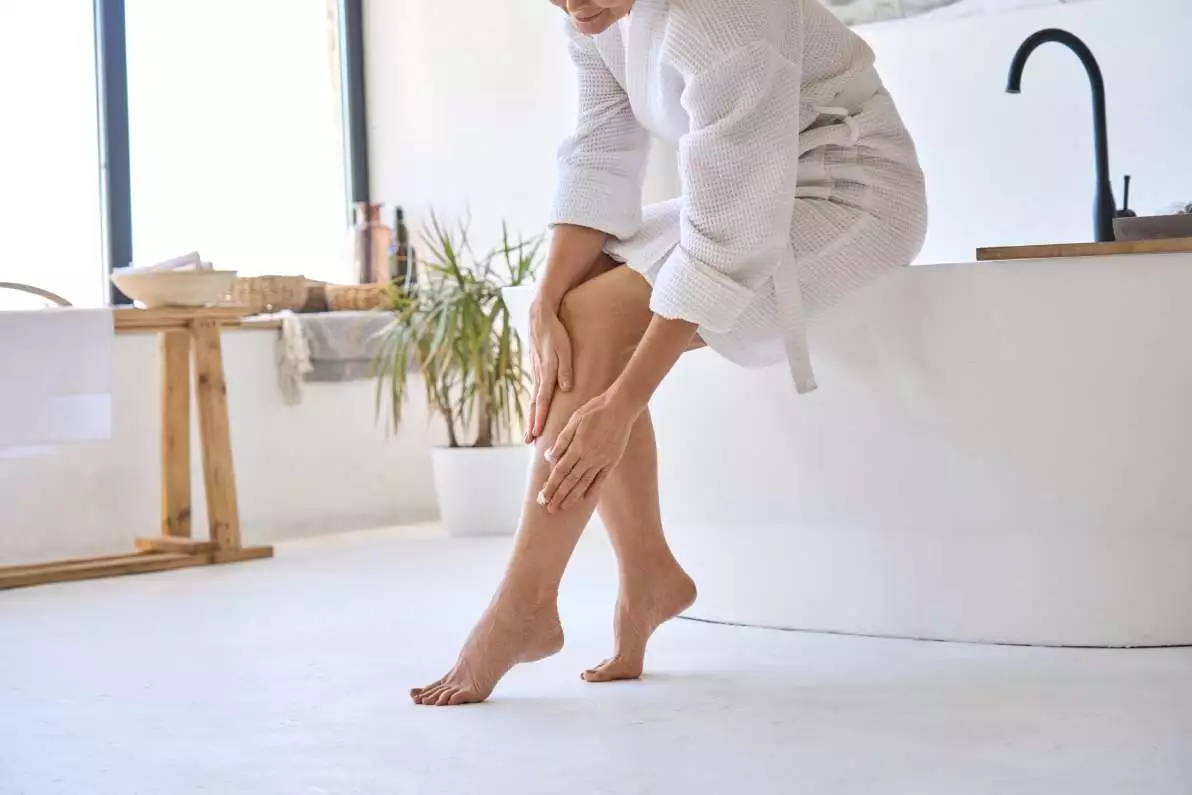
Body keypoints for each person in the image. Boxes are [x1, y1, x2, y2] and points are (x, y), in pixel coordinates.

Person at [410, 0, 927, 707]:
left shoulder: (725, 18)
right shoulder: (592, 10)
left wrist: (622, 404)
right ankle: (647, 572)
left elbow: (730, 236)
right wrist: (545, 297)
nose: (571, 2)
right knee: (576, 298)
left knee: (598, 316)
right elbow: (602, 143)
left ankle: (525, 603)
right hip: (756, 184)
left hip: (848, 190)